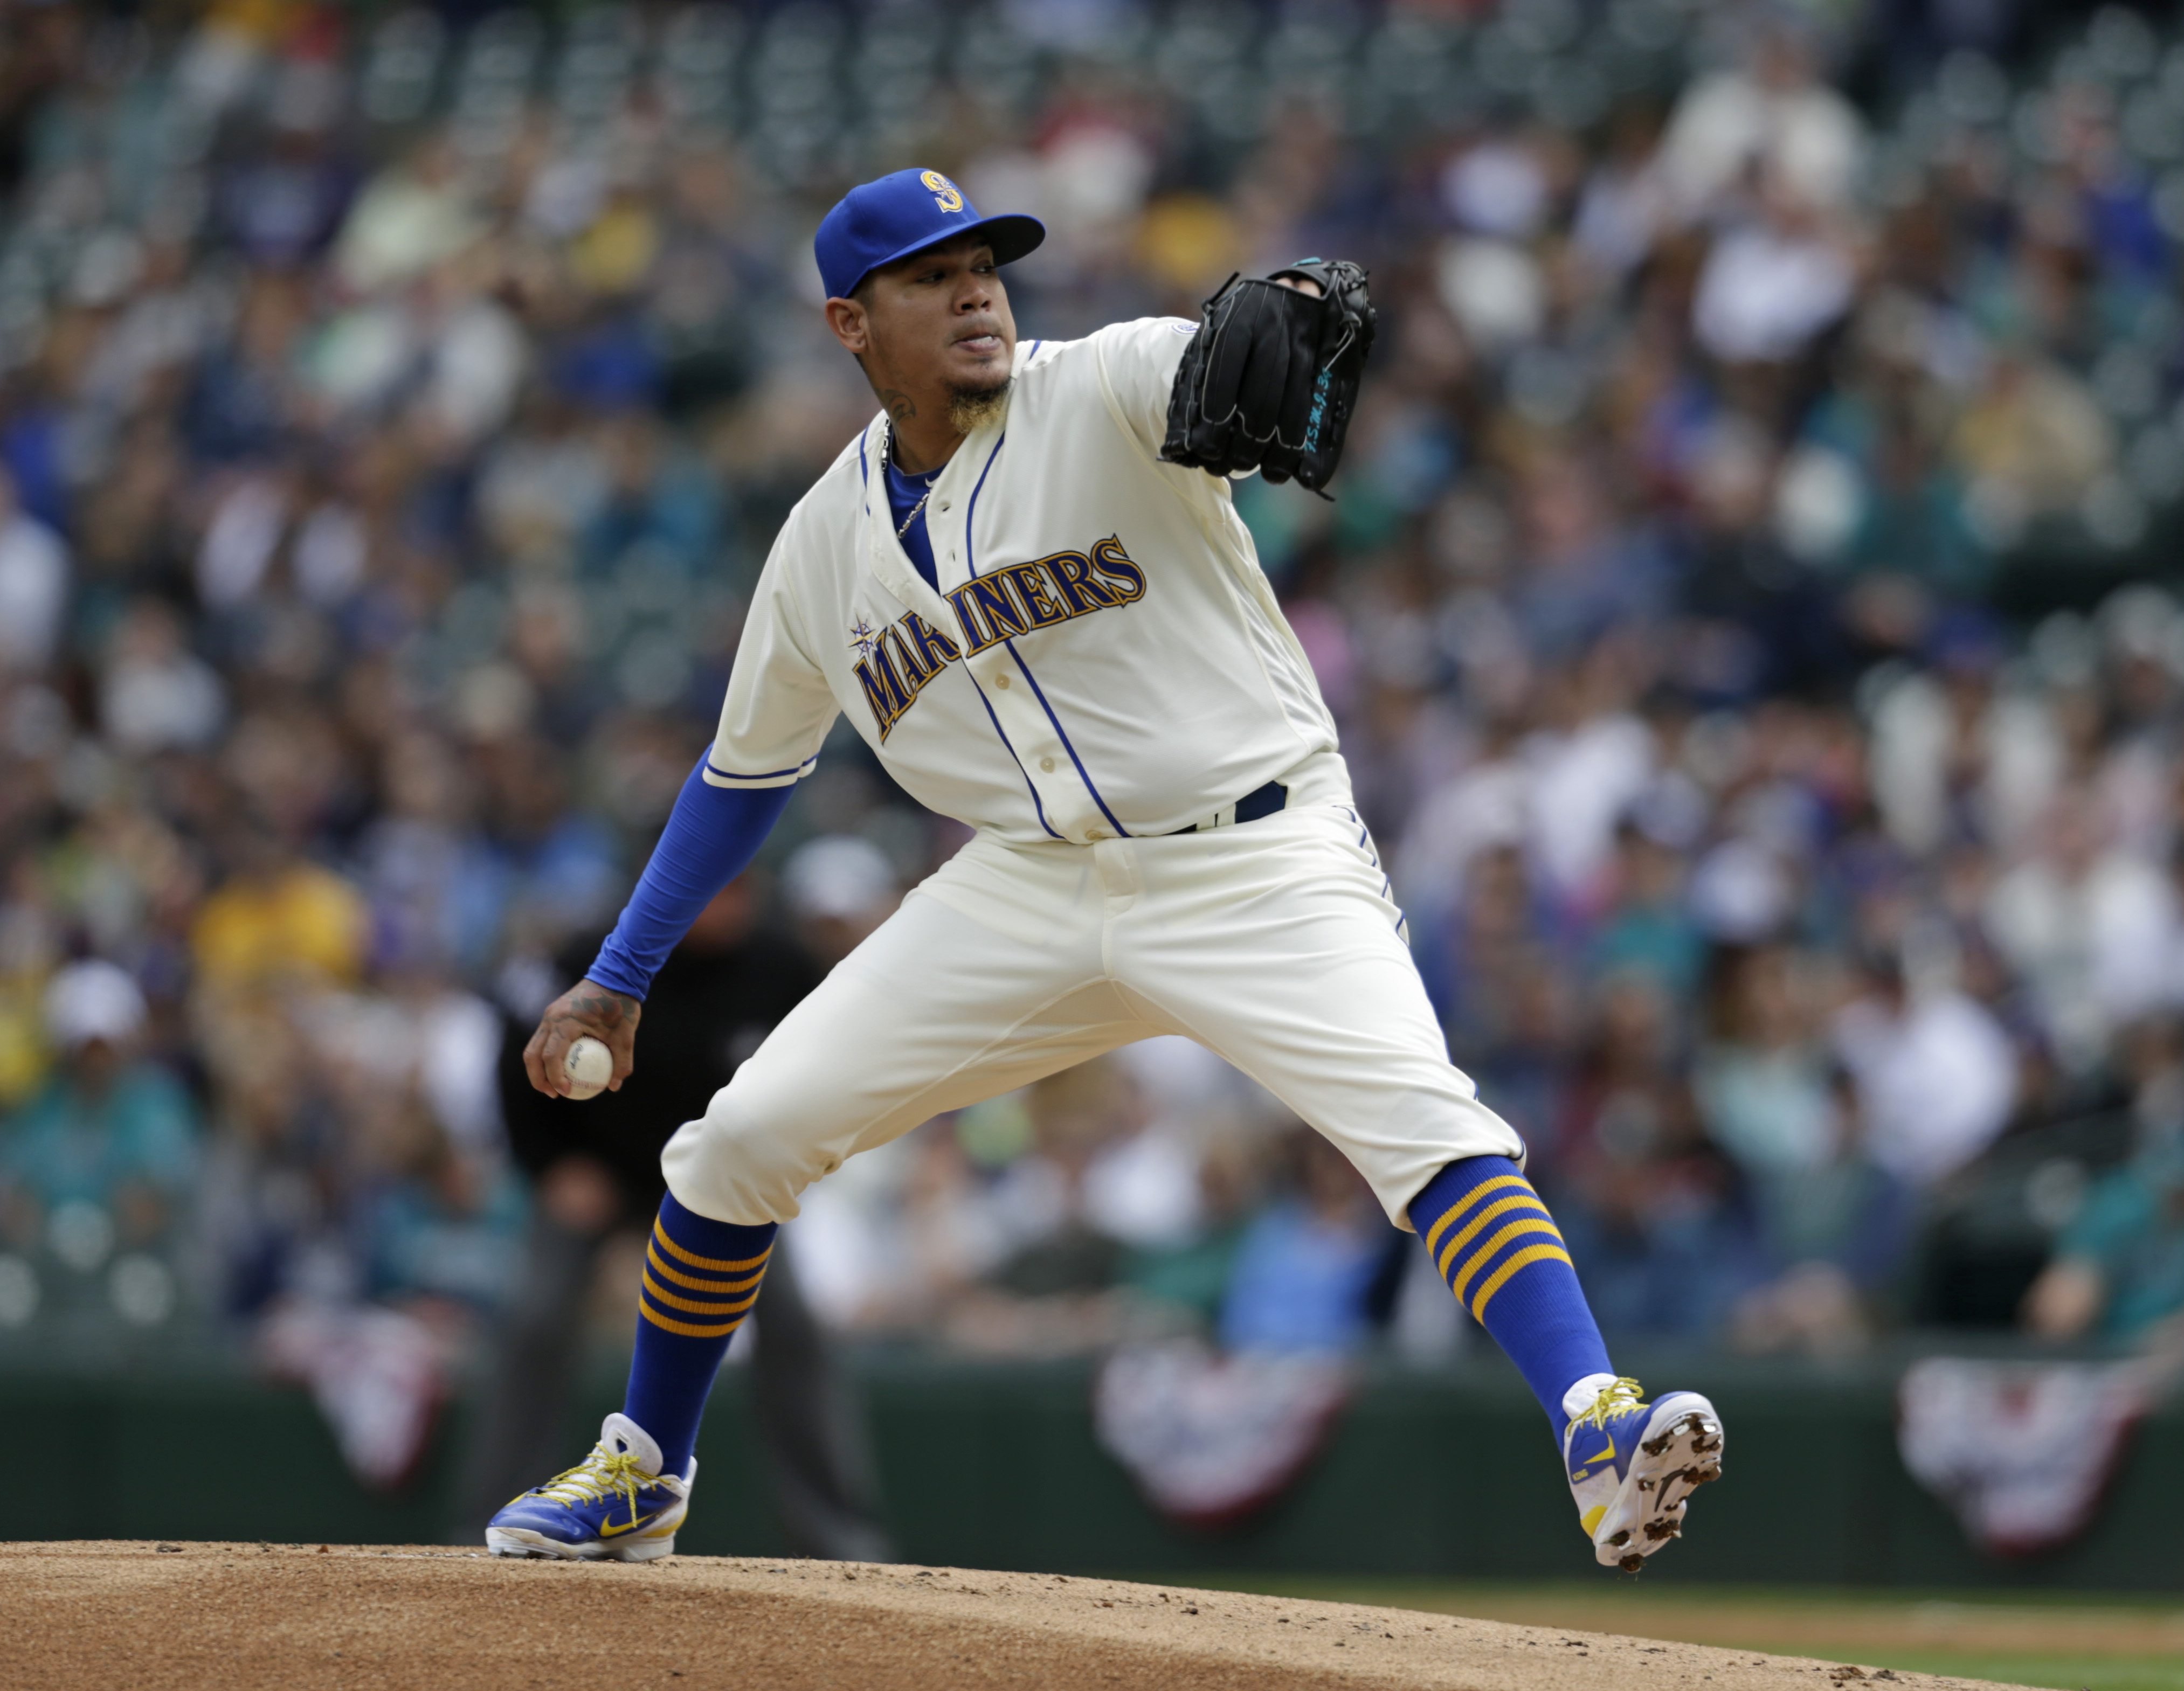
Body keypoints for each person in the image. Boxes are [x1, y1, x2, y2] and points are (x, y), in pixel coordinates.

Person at [484, 168, 1722, 1572]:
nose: (973, 292)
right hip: (1025, 885)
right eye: (930, 277)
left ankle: (1599, 1426)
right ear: (850, 322)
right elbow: (741, 775)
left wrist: (1300, 298)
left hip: (1251, 850)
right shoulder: (822, 546)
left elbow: (1225, 352)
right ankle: (646, 1472)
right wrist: (616, 977)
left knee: (1423, 1126)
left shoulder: (1104, 383)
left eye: (986, 267)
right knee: (732, 1145)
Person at [457, 870, 891, 1562]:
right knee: (536, 1322)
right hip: (600, 1176)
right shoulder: (596, 959)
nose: (731, 905)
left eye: (743, 890)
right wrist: (550, 1165)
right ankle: (482, 1524)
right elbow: (516, 1057)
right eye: (717, 887)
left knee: (796, 1332)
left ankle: (839, 1542)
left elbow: (828, 1071)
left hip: (718, 1192)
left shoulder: (779, 965)